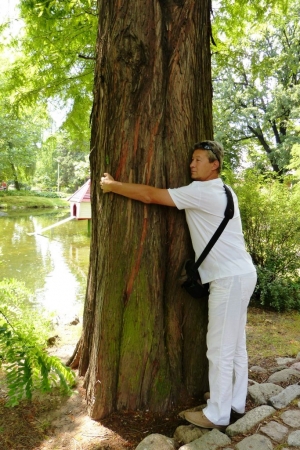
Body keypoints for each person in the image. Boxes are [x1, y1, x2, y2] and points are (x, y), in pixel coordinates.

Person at [100, 140, 257, 430]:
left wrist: (114, 186)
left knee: (219, 347)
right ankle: (234, 401)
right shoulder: (226, 190)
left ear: (215, 165)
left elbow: (149, 195)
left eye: (198, 160)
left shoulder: (201, 191)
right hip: (242, 273)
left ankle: (217, 414)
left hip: (228, 278)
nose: (191, 164)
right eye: (192, 159)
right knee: (235, 345)